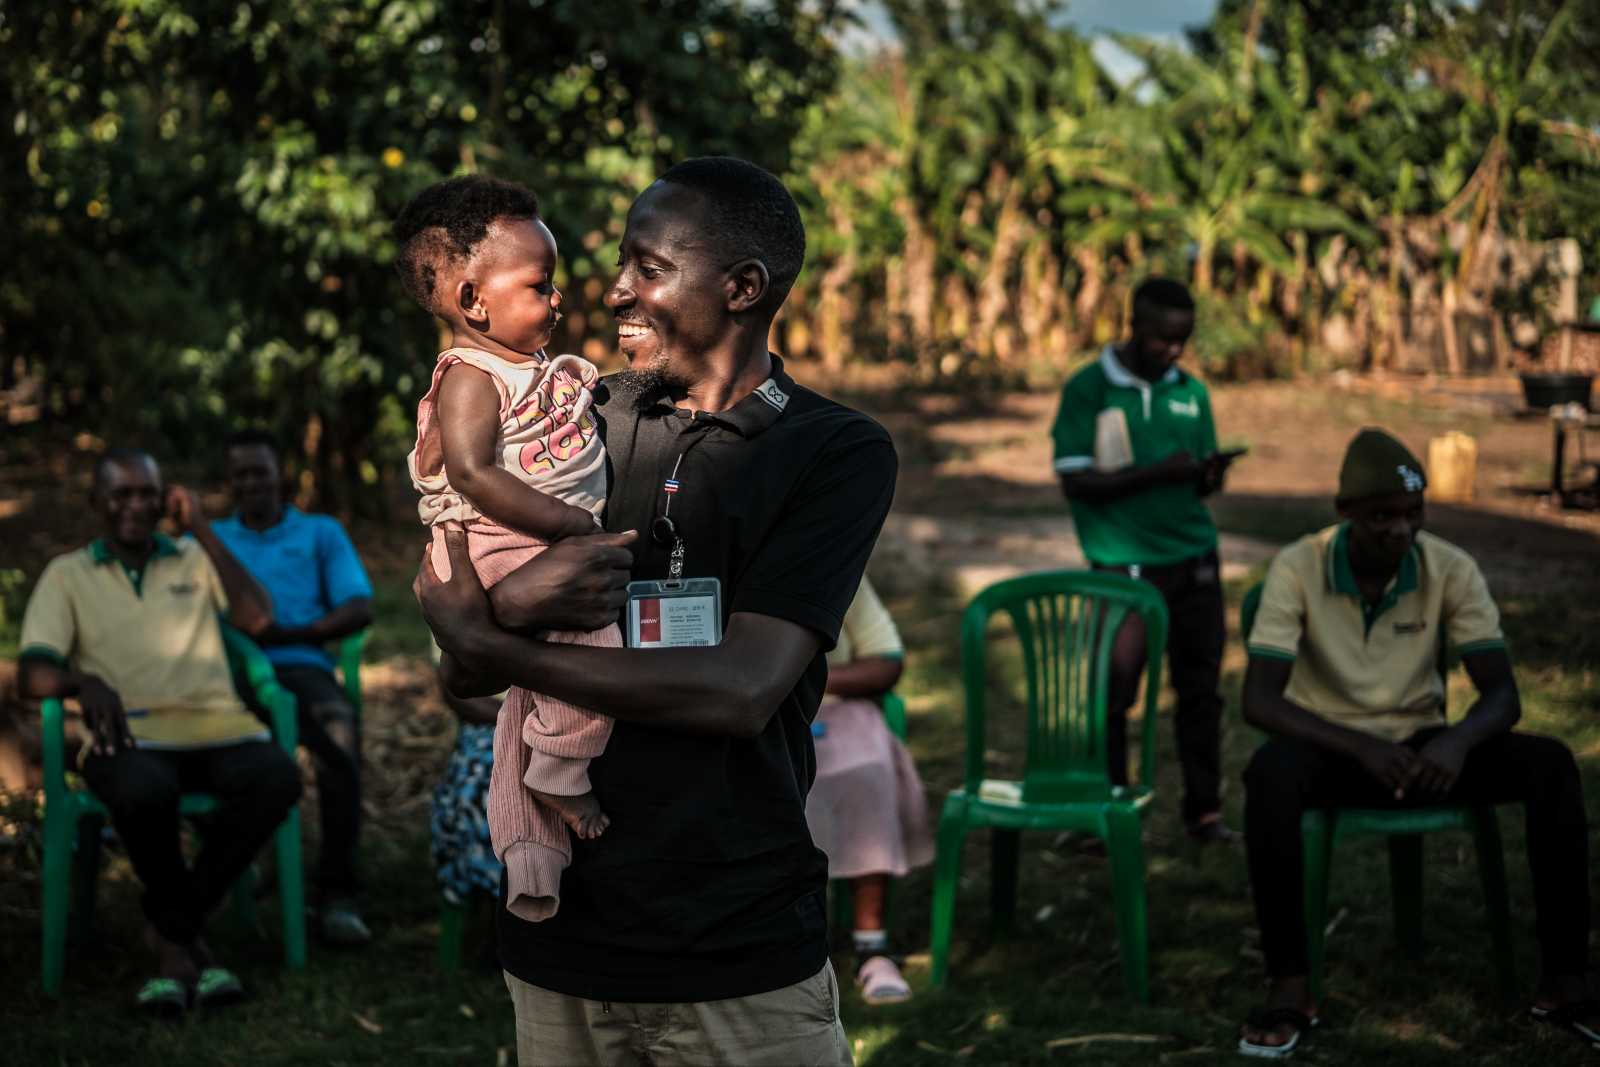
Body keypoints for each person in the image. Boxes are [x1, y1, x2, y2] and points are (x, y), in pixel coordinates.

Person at [415, 156, 896, 1067]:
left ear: (743, 288)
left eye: (648, 267)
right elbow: (460, 669)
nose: (615, 290)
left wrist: (492, 634)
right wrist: (498, 614)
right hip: (561, 943)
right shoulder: (584, 416)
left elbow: (739, 691)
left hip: (737, 953)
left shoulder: (833, 451)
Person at [1236, 428, 1594, 1057]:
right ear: (1345, 514)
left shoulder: (1448, 566)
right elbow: (1260, 700)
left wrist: (1455, 744)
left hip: (1426, 749)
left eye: (1412, 514)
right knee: (1268, 775)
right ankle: (1291, 986)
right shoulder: (1299, 565)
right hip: (1334, 750)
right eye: (1381, 517)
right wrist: (1360, 748)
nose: (1400, 531)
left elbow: (1502, 696)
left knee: (1552, 765)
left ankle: (1566, 982)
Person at [397, 174, 620, 925]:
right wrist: (567, 525)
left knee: (522, 699)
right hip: (499, 540)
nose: (557, 298)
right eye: (540, 284)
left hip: (528, 538)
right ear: (472, 300)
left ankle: (530, 855)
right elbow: (472, 472)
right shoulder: (470, 375)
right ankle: (560, 765)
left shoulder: (525, 367)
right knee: (596, 647)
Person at [17, 449, 301, 1014]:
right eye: (120, 494)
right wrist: (82, 683)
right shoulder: (67, 574)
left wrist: (199, 526)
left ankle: (170, 928)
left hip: (218, 726)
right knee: (145, 790)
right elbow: (32, 672)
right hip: (129, 736)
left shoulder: (194, 556)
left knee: (278, 777)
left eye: (146, 493)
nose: (135, 505)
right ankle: (186, 945)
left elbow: (256, 620)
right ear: (96, 503)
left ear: (163, 497)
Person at [1050, 277, 1239, 841]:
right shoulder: (1089, 388)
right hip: (1122, 566)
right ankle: (1106, 815)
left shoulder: (1192, 392)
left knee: (1201, 692)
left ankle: (1205, 813)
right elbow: (1076, 481)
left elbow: (1196, 483)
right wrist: (1163, 471)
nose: (1174, 351)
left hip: (1195, 559)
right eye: (1163, 339)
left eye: (1183, 340)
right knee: (1113, 696)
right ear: (1134, 326)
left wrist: (1207, 476)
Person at [213, 429, 375, 945]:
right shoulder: (211, 541)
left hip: (302, 667)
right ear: (229, 482)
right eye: (240, 474)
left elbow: (358, 607)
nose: (251, 483)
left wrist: (294, 633)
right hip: (227, 675)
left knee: (339, 736)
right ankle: (237, 871)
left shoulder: (320, 533)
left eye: (260, 471)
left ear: (280, 476)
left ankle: (337, 893)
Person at [804, 575, 933, 1006]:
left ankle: (871, 945)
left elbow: (886, 661)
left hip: (835, 707)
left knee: (869, 769)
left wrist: (809, 682)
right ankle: (792, 942)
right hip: (755, 709)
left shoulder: (840, 568)